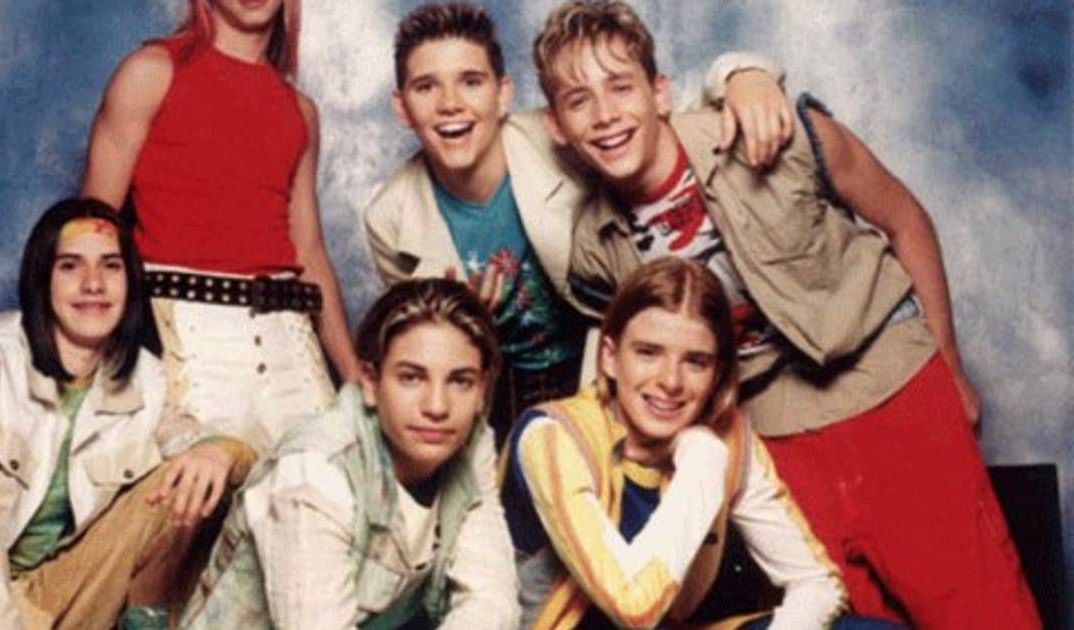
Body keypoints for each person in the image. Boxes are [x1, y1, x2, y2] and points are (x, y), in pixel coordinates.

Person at [532, 2, 1040, 627]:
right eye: (579, 100)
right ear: (557, 125)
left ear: (660, 92)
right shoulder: (596, 249)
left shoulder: (776, 132)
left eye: (620, 87)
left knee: (981, 609)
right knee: (860, 621)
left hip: (891, 393)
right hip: (776, 438)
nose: (606, 114)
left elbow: (906, 222)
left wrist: (950, 366)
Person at [364, 2, 793, 446]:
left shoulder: (560, 135)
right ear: (402, 107)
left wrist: (741, 75)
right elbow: (418, 348)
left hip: (599, 362)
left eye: (471, 82)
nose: (450, 104)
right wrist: (462, 319)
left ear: (503, 94)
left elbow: (662, 118)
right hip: (498, 386)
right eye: (426, 87)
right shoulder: (390, 220)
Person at [0, 198, 254, 630]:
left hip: (55, 592)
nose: (93, 284)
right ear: (42, 279)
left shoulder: (144, 378)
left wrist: (221, 452)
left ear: (129, 282)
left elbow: (193, 439)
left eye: (111, 266)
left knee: (186, 478)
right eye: (71, 266)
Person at [503, 257, 891, 629]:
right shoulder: (552, 436)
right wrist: (701, 463)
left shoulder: (726, 438)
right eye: (648, 353)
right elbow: (634, 608)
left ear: (717, 374)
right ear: (609, 357)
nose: (670, 381)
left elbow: (817, 584)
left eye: (696, 362)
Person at [82, 0, 358, 450]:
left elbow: (308, 251)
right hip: (189, 341)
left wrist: (352, 373)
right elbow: (90, 233)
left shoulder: (301, 111)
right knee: (201, 482)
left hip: (290, 345)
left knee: (331, 483)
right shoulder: (150, 72)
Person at [180, 279, 518, 629]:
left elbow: (491, 602)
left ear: (482, 390)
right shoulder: (313, 472)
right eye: (411, 378)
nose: (437, 406)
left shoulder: (470, 443)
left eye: (460, 381)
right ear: (370, 382)